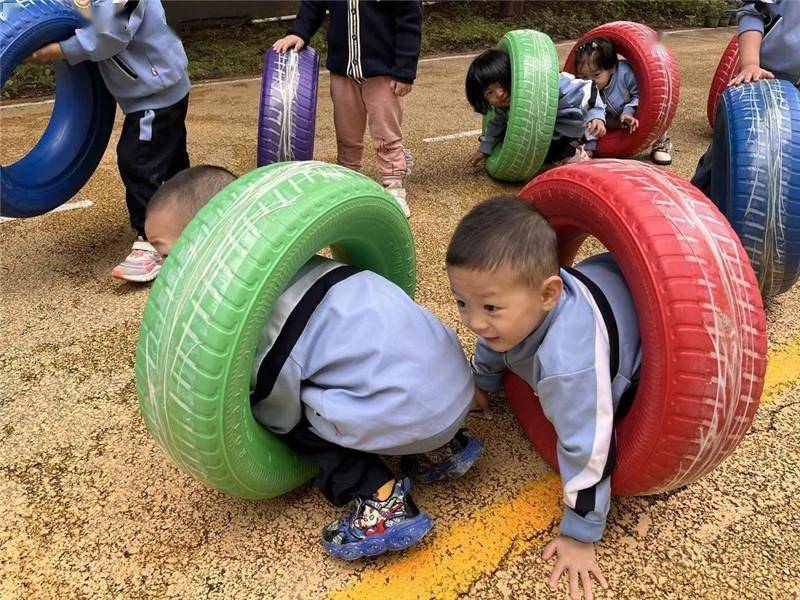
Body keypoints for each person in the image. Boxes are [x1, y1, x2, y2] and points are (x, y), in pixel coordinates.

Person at [144, 165, 485, 560]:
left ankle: (381, 500)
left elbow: (277, 397)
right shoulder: (318, 265)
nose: (166, 274)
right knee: (366, 359)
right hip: (456, 392)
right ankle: (442, 448)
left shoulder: (266, 310)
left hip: (416, 418)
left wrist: (252, 422)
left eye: (169, 255)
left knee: (290, 419)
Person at [445, 196, 642, 600]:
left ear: (549, 294)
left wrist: (580, 534)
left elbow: (589, 445)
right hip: (604, 273)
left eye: (489, 307)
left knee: (596, 414)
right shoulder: (516, 310)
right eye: (462, 302)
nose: (473, 320)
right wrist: (481, 382)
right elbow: (492, 339)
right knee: (501, 330)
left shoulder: (567, 366)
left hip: (635, 323)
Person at [27, 0, 191, 283]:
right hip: (152, 87)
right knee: (168, 157)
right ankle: (189, 212)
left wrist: (56, 51)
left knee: (138, 160)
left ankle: (152, 241)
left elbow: (111, 35)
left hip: (154, 92)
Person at [272, 1, 421, 218]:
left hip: (384, 73)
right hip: (343, 72)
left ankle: (393, 183)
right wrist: (299, 33)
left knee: (385, 130)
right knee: (346, 131)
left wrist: (405, 71)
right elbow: (313, 5)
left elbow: (409, 21)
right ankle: (348, 177)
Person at [691, 0, 799, 195]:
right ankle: (696, 203)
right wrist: (750, 63)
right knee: (730, 150)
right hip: (768, 74)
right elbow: (753, 10)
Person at [464, 49, 607, 170]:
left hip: (571, 127)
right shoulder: (505, 106)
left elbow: (588, 88)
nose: (499, 94)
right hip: (547, 132)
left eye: (500, 83)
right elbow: (496, 124)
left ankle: (577, 154)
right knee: (513, 135)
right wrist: (484, 149)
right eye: (490, 93)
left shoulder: (552, 85)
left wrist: (595, 114)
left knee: (569, 159)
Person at [574, 37, 673, 165]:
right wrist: (591, 144)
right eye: (583, 77)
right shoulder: (587, 88)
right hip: (610, 119)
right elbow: (589, 111)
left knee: (657, 111)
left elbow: (640, 95)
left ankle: (661, 144)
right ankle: (589, 146)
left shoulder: (625, 73)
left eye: (596, 75)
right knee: (585, 116)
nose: (590, 81)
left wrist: (629, 112)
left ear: (611, 69)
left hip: (635, 113)